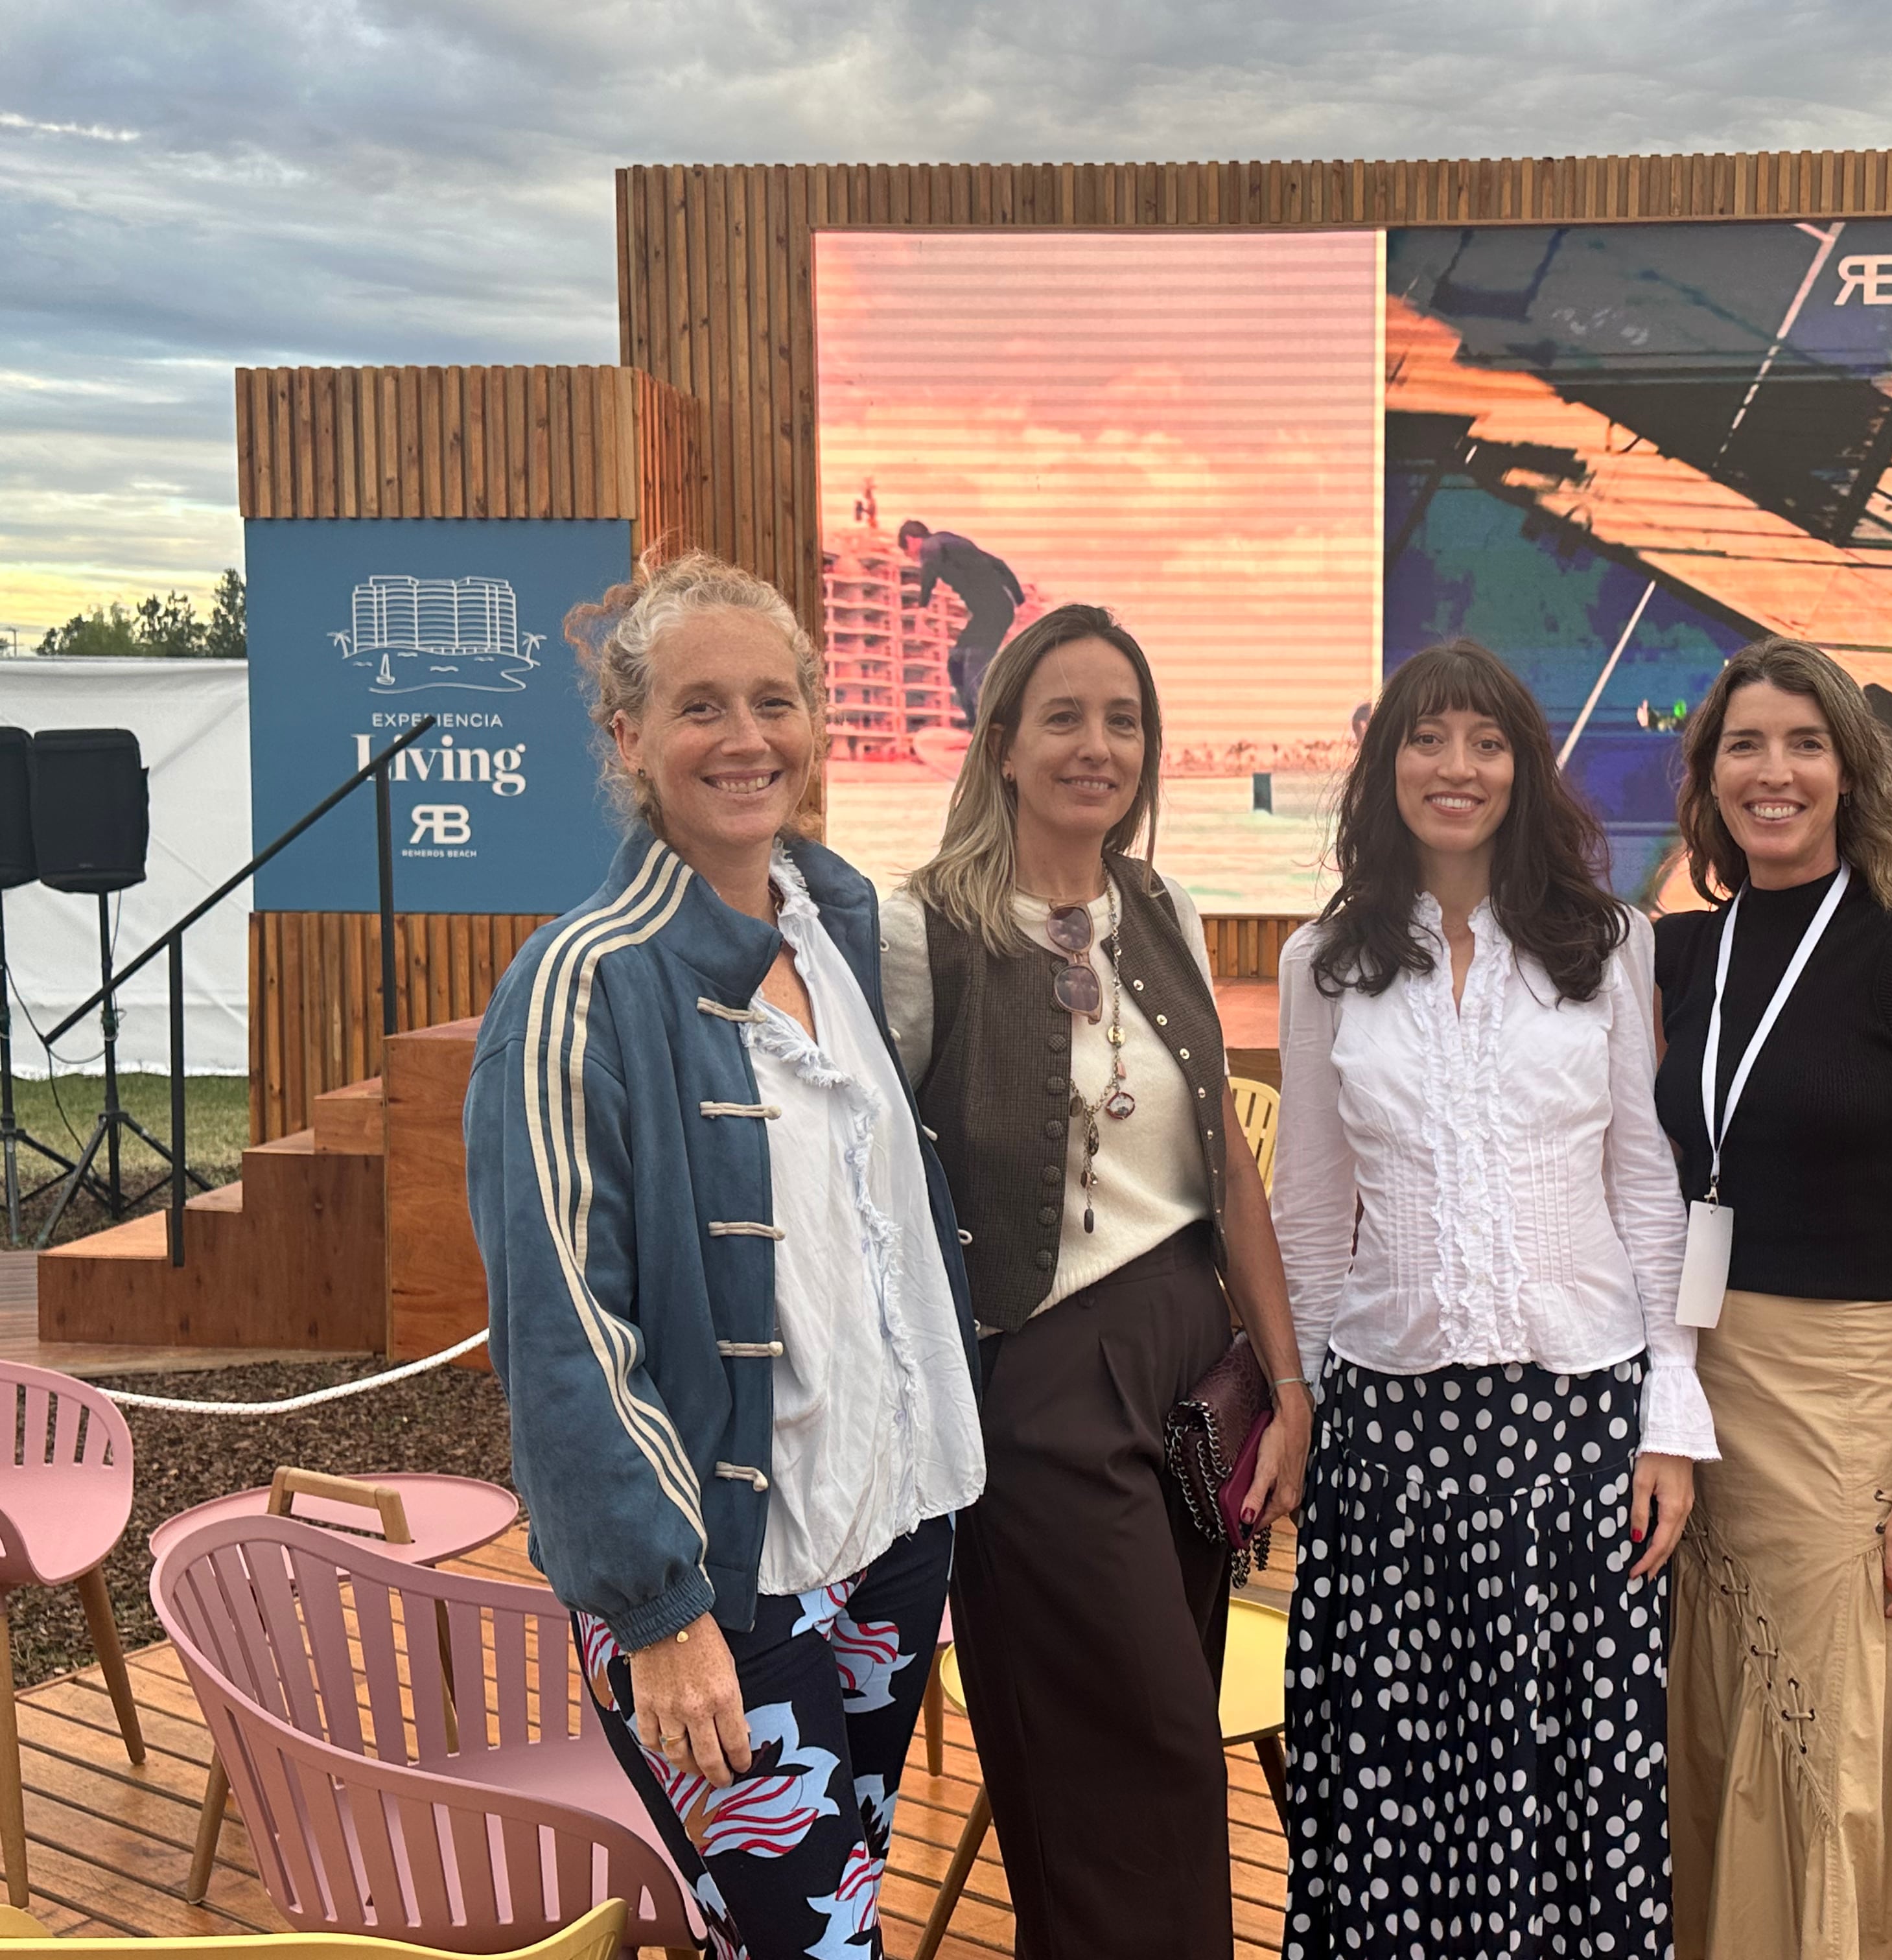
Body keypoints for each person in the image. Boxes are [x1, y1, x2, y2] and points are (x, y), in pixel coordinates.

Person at [465, 552, 986, 1960]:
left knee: (824, 1916)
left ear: (815, 721)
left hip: (885, 1533)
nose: (746, 739)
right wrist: (657, 1610)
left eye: (774, 702)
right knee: (813, 1946)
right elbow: (563, 1327)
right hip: (716, 1579)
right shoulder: (584, 983)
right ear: (629, 737)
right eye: (701, 707)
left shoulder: (838, 926)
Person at [881, 600, 1314, 1960]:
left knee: (1133, 1753)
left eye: (1123, 720)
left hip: (1193, 1381)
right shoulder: (919, 932)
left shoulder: (1163, 905)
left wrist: (1290, 1381)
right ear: (1001, 743)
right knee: (1152, 1757)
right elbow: (877, 1183)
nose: (1097, 746)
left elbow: (1228, 1169)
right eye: (1063, 717)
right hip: (1048, 1392)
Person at [1272, 638, 1714, 1959]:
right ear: (1385, 766)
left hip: (1576, 1424)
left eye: (1484, 742)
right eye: (1426, 738)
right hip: (1389, 1435)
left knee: (1569, 1779)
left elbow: (1653, 1191)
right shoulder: (1325, 961)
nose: (1454, 767)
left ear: (1523, 770)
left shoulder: (1609, 945)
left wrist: (1670, 1420)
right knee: (1398, 1778)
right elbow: (1307, 1206)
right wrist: (1297, 1400)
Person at [1650, 637, 1892, 1958]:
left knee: (1831, 1730)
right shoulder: (1678, 958)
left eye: (1805, 743)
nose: (1775, 771)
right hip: (1698, 1388)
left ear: (1853, 773)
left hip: (1854, 1399)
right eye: (1745, 744)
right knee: (1717, 1713)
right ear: (1709, 779)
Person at [897, 519, 1025, 726]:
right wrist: (1020, 601)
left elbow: (930, 566)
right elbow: (999, 565)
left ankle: (994, 728)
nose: (915, 560)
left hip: (994, 613)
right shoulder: (956, 547)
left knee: (974, 668)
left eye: (909, 554)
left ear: (911, 541)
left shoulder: (933, 545)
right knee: (956, 664)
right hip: (989, 614)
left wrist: (922, 611)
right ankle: (976, 728)